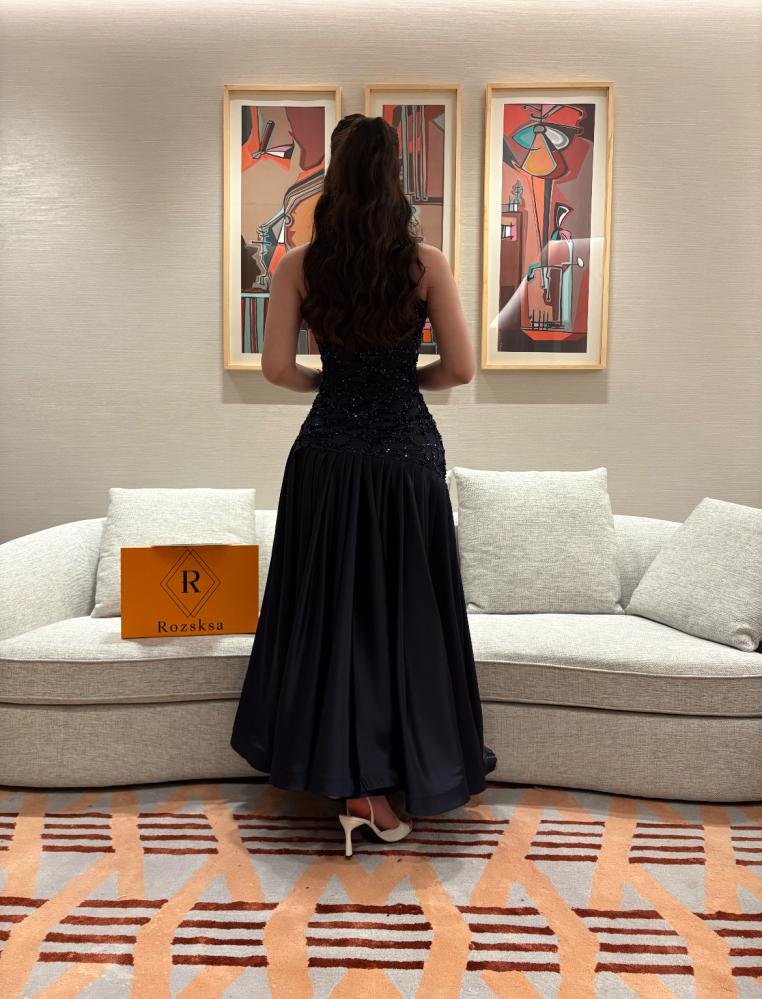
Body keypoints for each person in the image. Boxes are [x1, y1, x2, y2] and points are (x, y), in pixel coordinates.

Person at [230, 113, 497, 859]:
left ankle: (344, 780)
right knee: (404, 616)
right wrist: (400, 385)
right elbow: (460, 369)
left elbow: (277, 370)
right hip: (406, 456)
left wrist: (333, 386)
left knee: (329, 616)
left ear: (334, 180)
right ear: (394, 182)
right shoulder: (425, 263)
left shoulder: (299, 266)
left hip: (327, 455)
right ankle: (394, 776)